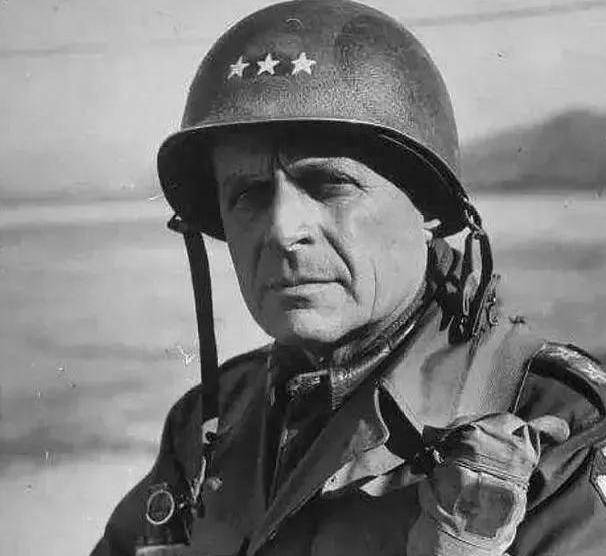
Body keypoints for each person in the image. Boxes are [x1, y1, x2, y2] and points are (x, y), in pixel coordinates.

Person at [92, 1, 606, 555]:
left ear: (428, 208)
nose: (282, 230)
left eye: (329, 185)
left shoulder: (556, 431)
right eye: (248, 194)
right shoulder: (208, 426)